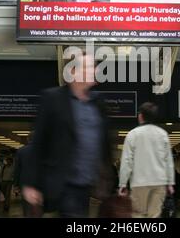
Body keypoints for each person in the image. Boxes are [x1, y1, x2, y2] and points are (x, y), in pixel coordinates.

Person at [23, 52, 114, 218]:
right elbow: (38, 144)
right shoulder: (53, 98)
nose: (93, 70)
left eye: (94, 67)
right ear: (72, 71)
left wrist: (110, 179)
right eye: (87, 67)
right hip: (63, 183)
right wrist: (30, 183)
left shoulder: (98, 102)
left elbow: (105, 144)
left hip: (88, 184)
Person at [118, 102, 175, 218]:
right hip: (159, 182)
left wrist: (123, 184)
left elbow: (126, 161)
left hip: (139, 183)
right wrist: (170, 183)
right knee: (154, 215)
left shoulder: (132, 134)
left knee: (138, 216)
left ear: (140, 116)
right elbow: (168, 161)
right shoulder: (163, 134)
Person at [14, 134, 42, 218]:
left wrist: (16, 184)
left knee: (26, 208)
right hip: (39, 182)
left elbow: (17, 169)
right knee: (38, 207)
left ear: (28, 139)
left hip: (25, 182)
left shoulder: (21, 151)